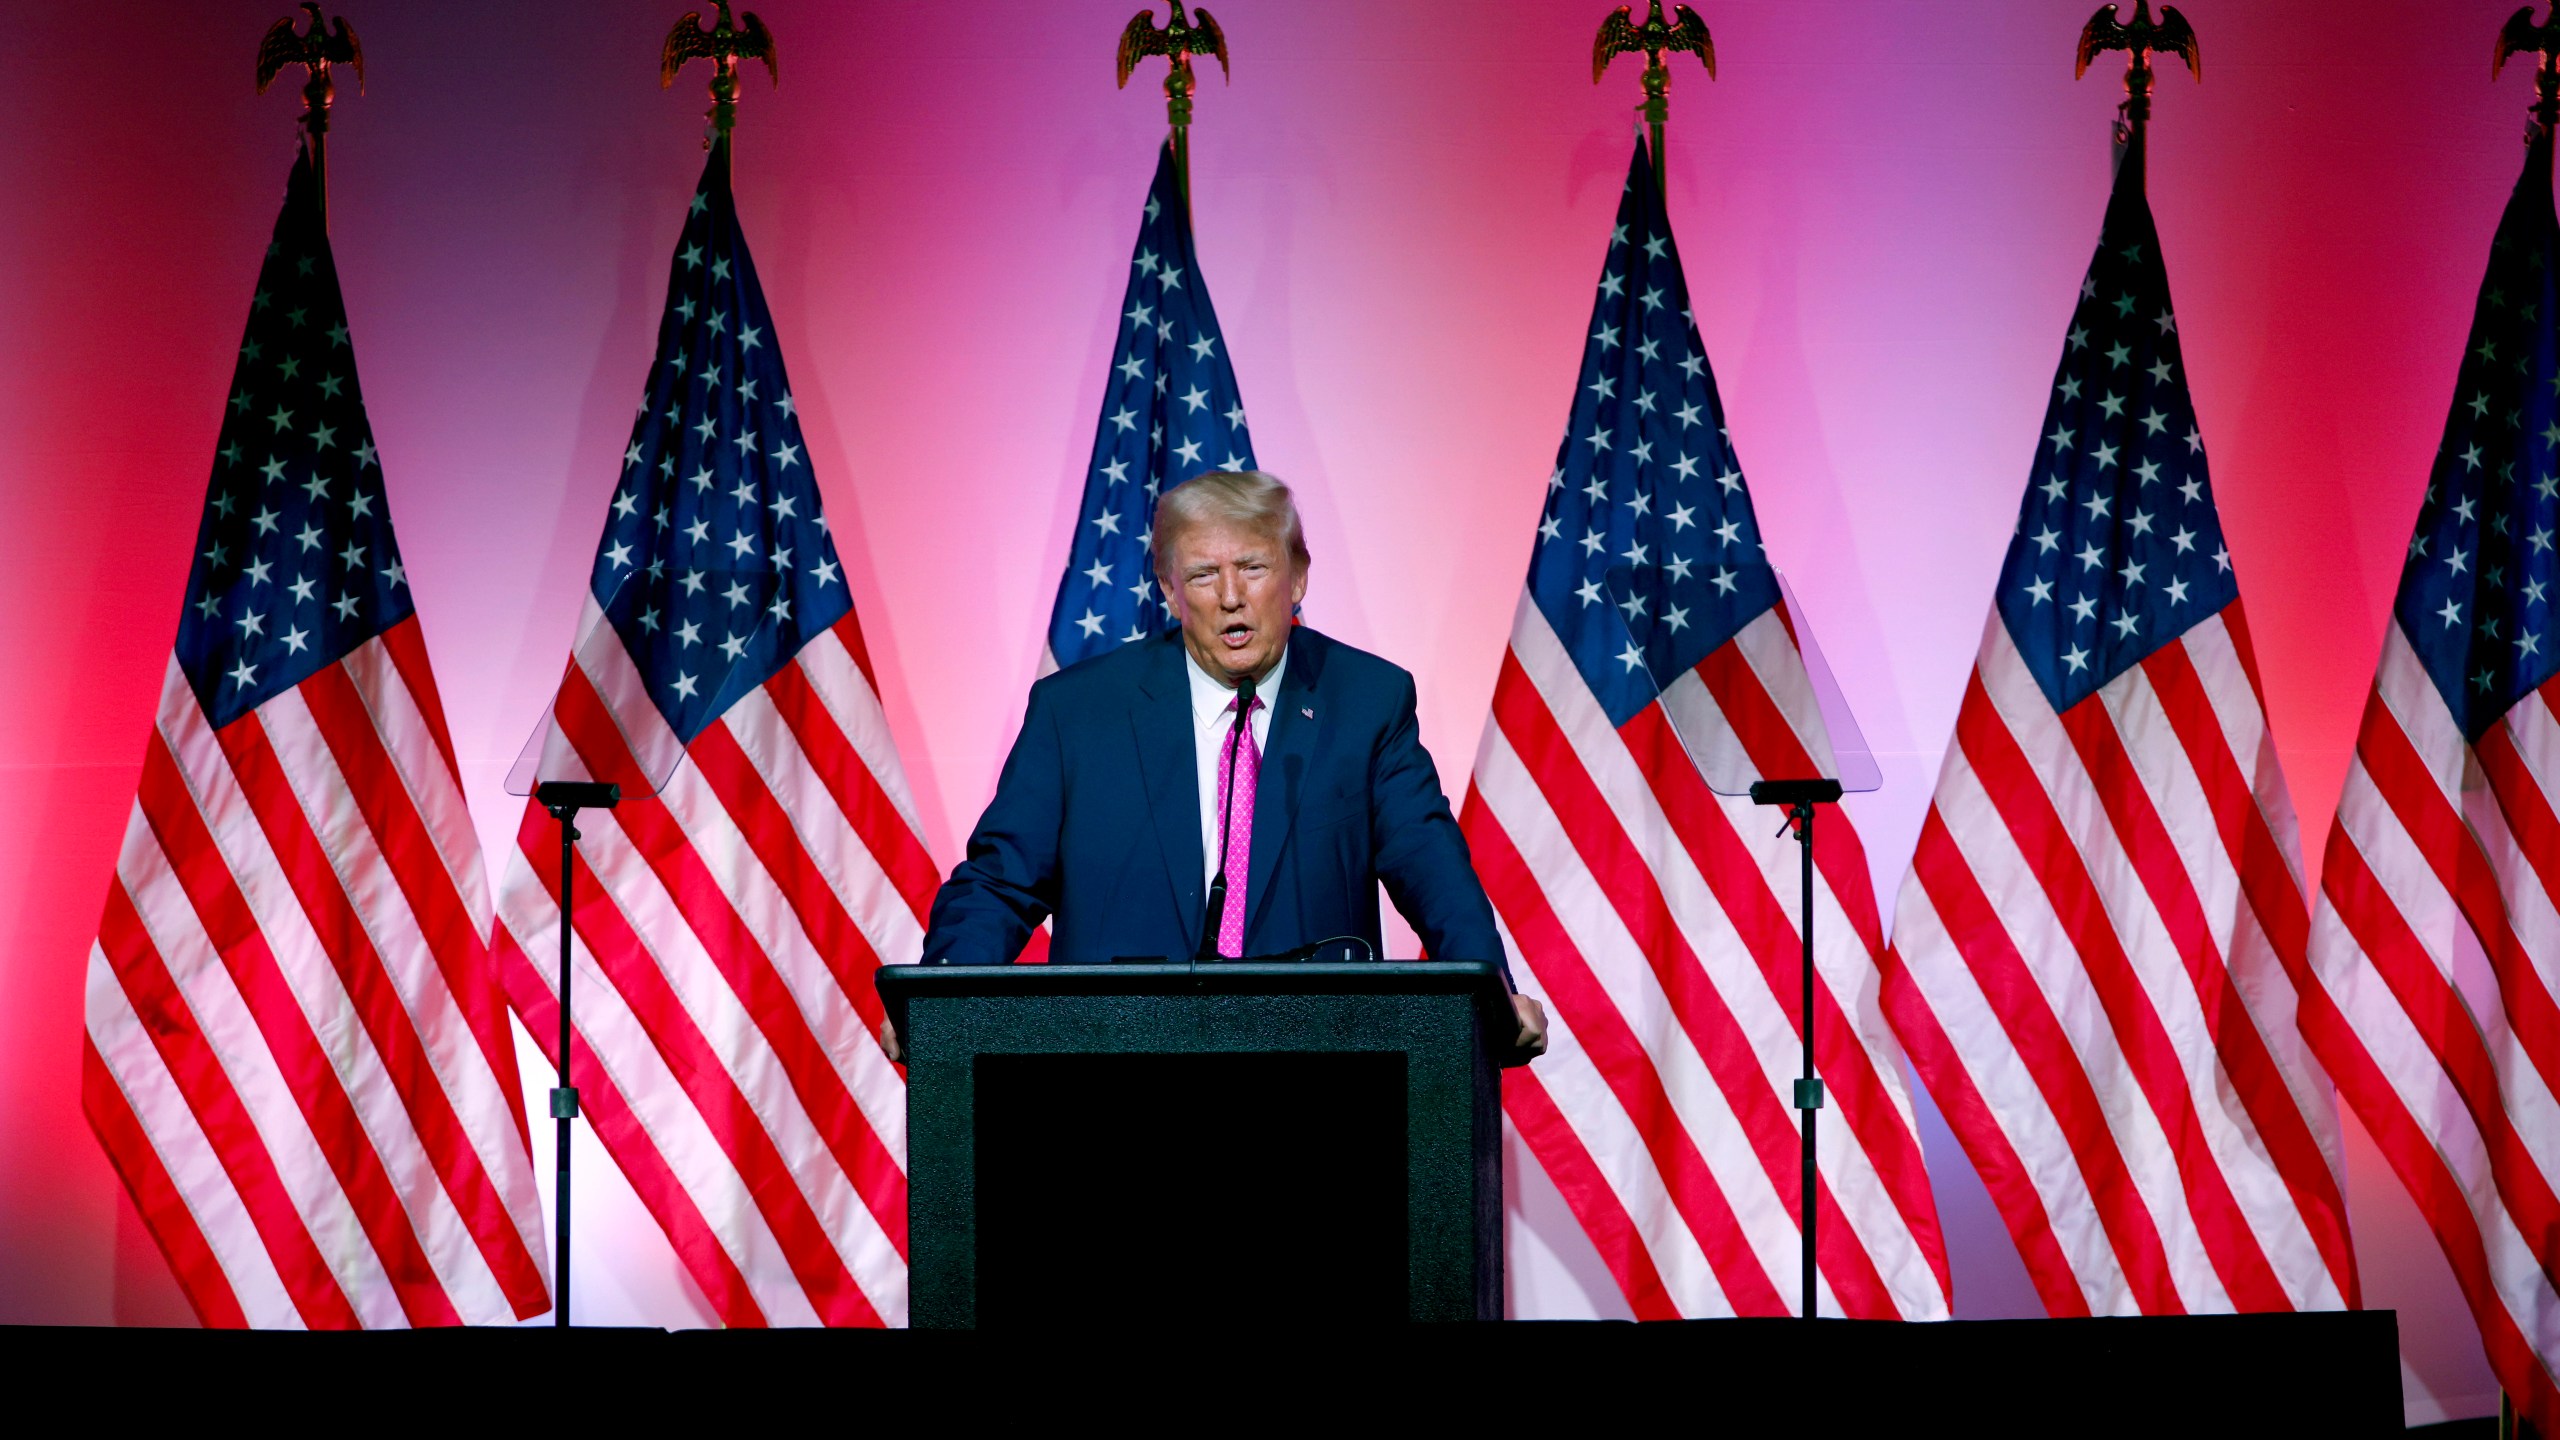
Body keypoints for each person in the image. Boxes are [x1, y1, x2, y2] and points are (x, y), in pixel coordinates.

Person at [885, 470, 1545, 1060]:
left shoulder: (1365, 702)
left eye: (1253, 568)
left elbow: (1430, 866)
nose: (1231, 596)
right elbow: (1001, 882)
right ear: (1170, 590)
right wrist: (937, 1005)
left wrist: (1490, 992)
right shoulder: (1078, 713)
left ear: (1299, 576)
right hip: (1115, 1068)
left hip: (1315, 1072)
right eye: (1203, 574)